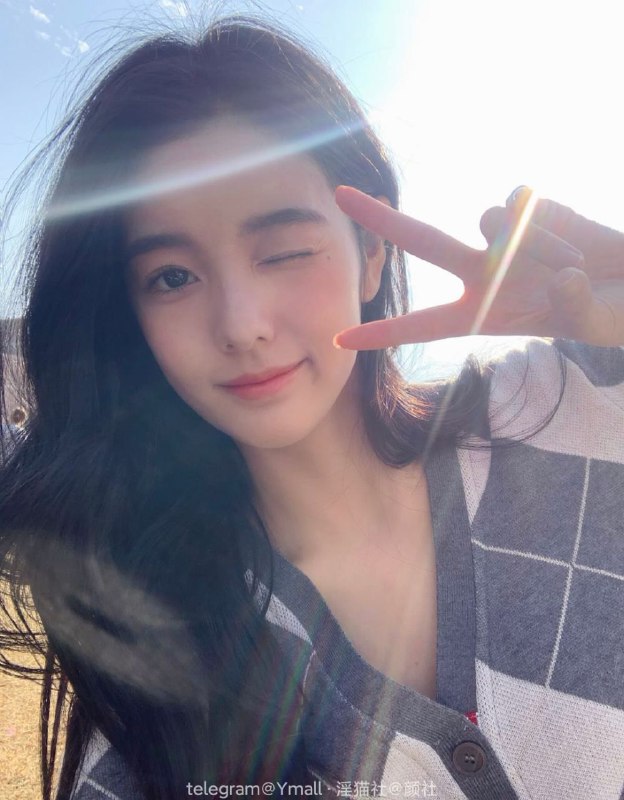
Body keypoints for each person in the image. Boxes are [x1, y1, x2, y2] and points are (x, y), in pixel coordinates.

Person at [0, 14, 622, 800]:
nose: (241, 325)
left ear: (372, 253)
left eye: (285, 250)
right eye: (172, 277)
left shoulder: (576, 406)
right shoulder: (153, 672)